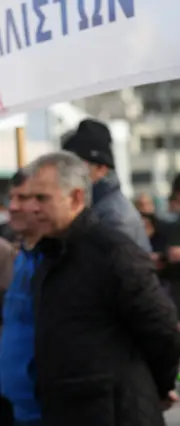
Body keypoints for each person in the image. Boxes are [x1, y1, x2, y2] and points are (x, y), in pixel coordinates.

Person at [26, 151, 180, 426]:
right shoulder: (50, 253)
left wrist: (155, 385)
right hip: (68, 408)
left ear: (75, 198)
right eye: (30, 199)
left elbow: (164, 330)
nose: (33, 208)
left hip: (115, 411)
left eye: (42, 198)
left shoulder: (113, 252)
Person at [62, 119, 151, 251]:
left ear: (101, 168)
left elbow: (120, 269)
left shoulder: (115, 217)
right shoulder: (93, 206)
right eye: (65, 164)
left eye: (77, 164)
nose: (68, 171)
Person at [0, 169, 43, 426]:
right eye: (11, 198)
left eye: (22, 198)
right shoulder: (23, 256)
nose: (13, 206)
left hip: (38, 405)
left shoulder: (58, 258)